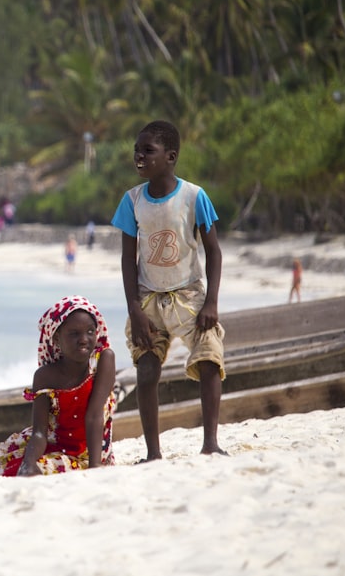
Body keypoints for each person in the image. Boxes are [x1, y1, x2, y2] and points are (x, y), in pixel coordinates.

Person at [110, 120, 226, 461]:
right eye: (137, 150)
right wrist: (134, 309)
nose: (139, 156)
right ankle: (153, 452)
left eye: (148, 150)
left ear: (171, 156)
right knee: (146, 371)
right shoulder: (131, 201)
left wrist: (212, 302)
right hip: (148, 300)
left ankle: (211, 443)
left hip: (190, 296)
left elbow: (213, 251)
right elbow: (128, 259)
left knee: (208, 361)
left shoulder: (194, 196)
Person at [0, 296, 116, 484]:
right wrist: (28, 463)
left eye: (90, 331)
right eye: (74, 334)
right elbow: (40, 432)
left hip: (89, 451)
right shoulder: (45, 376)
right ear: (56, 338)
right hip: (51, 442)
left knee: (31, 472)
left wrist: (95, 469)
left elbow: (94, 415)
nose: (84, 340)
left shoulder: (102, 360)